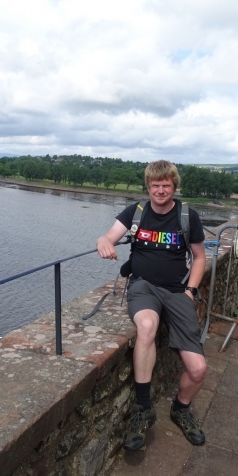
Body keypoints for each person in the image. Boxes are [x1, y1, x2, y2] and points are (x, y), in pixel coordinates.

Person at [96, 160, 207, 451]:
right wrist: (104, 241)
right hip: (142, 285)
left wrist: (190, 291)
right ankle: (144, 409)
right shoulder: (136, 212)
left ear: (174, 186)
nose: (160, 190)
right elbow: (110, 235)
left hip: (177, 291)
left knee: (198, 369)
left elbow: (200, 257)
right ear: (148, 187)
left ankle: (181, 409)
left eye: (165, 185)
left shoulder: (187, 216)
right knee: (146, 326)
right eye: (155, 185)